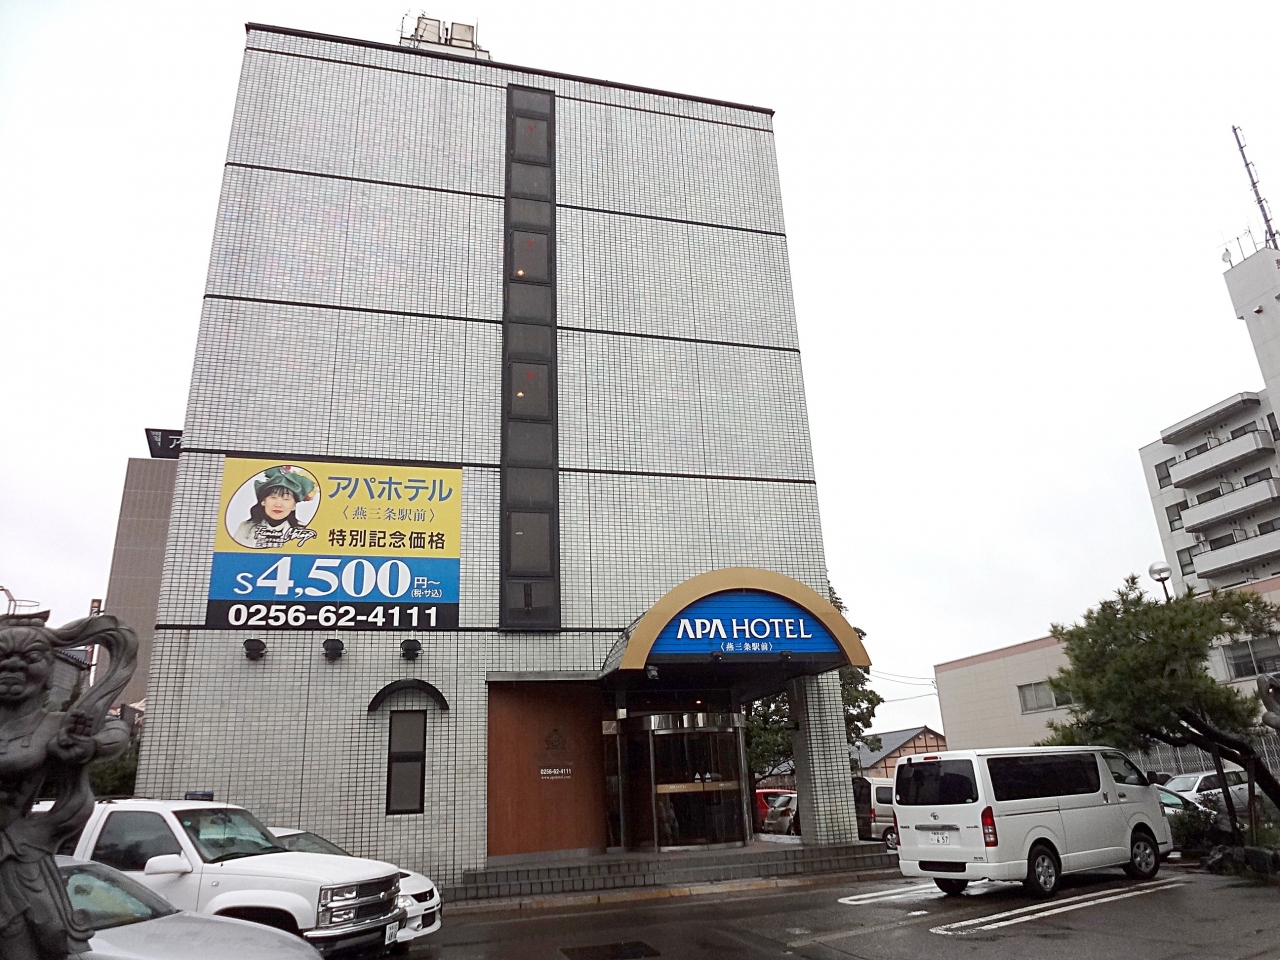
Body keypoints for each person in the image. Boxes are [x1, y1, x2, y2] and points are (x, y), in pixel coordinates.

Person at [232, 466, 318, 549]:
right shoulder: (246, 528)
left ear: (294, 506)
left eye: (286, 499)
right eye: (273, 497)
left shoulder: (304, 531)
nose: (278, 504)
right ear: (263, 501)